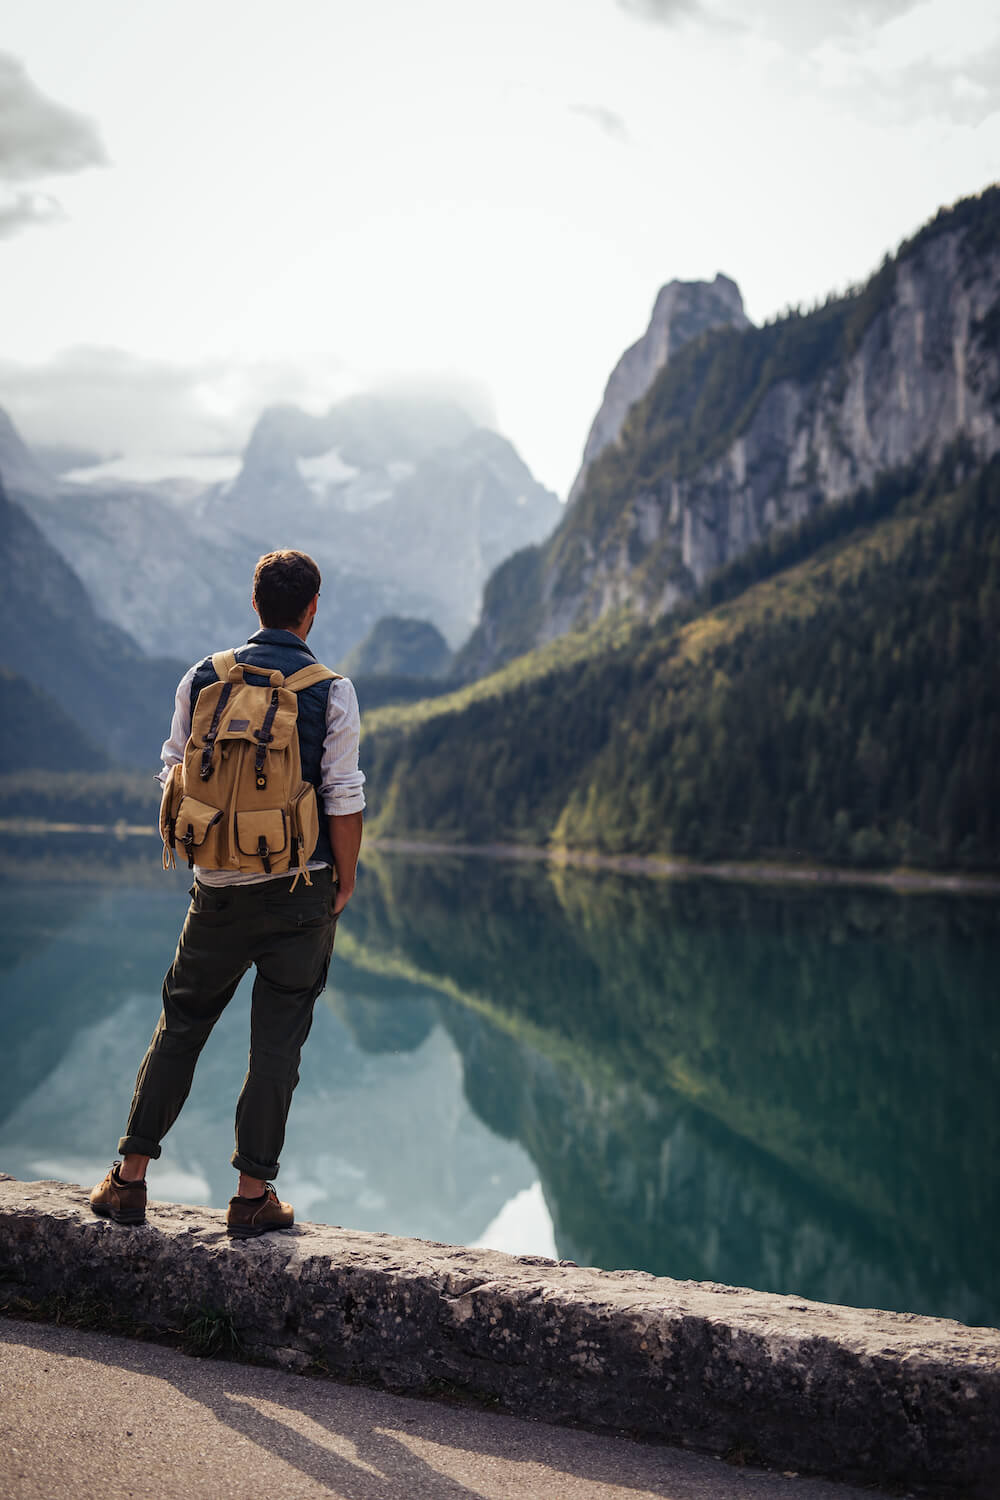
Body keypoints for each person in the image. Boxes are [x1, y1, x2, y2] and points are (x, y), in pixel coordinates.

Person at [90, 549, 364, 1237]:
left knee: (180, 1026)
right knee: (277, 1041)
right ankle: (250, 1197)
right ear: (312, 609)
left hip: (215, 892)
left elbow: (173, 774)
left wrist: (211, 850)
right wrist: (346, 877)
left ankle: (128, 1181)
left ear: (254, 604)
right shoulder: (330, 689)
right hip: (300, 891)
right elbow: (343, 795)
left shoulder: (202, 677)